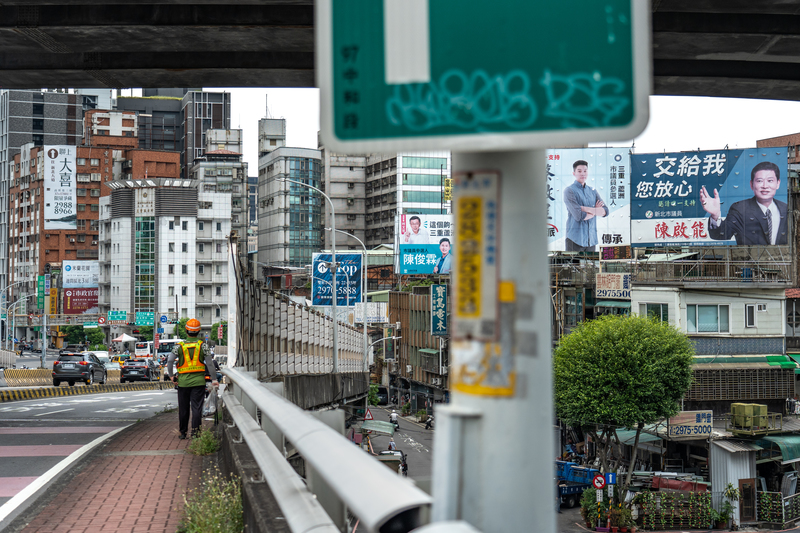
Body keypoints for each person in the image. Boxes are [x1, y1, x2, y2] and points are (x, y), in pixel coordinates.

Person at [700, 161, 787, 245]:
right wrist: (715, 216)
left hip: (782, 258)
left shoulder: (786, 209)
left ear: (778, 183)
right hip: (749, 259)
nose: (765, 186)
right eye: (759, 181)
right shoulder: (739, 209)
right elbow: (721, 234)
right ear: (751, 184)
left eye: (770, 181)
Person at [167, 318, 218, 439]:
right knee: (196, 408)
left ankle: (183, 433)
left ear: (186, 331)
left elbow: (169, 361)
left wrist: (171, 376)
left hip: (183, 383)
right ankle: (196, 433)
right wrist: (214, 379)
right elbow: (210, 364)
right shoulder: (203, 346)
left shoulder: (179, 346)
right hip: (198, 383)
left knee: (183, 409)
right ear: (199, 331)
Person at [563, 159, 608, 252]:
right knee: (573, 266)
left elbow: (605, 211)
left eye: (585, 171)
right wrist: (595, 210)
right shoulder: (569, 191)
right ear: (574, 173)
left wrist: (585, 209)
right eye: (579, 171)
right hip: (574, 239)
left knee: (591, 266)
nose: (582, 173)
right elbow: (578, 216)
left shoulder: (593, 191)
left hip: (591, 240)